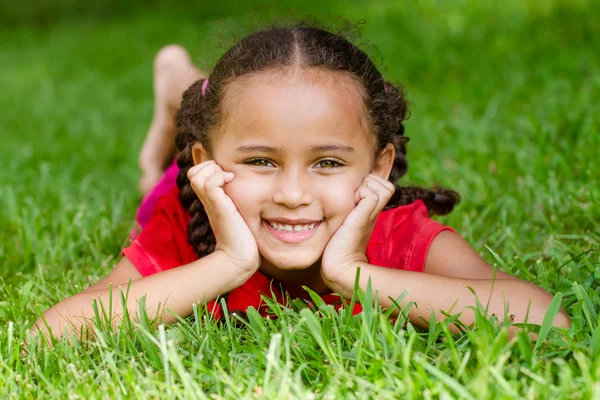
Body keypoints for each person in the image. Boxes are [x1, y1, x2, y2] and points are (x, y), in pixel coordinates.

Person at [32, 25, 570, 342]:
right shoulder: (187, 219)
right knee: (158, 174)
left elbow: (547, 318)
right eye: (262, 161)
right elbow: (45, 338)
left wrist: (355, 274)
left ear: (379, 168)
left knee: (208, 111)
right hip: (179, 188)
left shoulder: (397, 234)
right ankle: (178, 87)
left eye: (328, 163)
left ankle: (187, 89)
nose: (293, 194)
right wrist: (226, 263)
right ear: (208, 164)